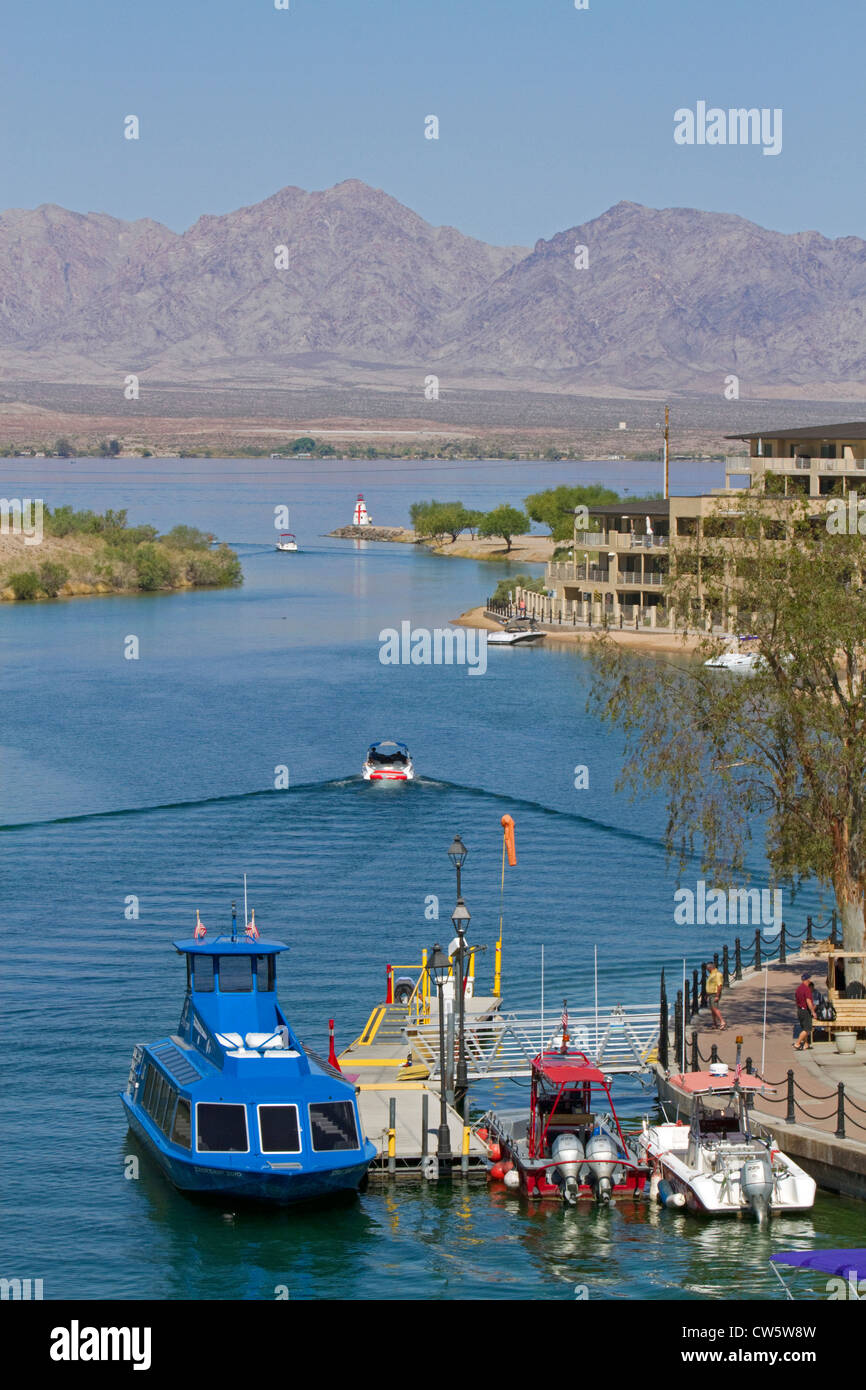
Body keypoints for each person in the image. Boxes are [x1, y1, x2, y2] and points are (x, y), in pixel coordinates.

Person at [794, 974, 817, 1051]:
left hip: (799, 1010)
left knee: (804, 1028)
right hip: (805, 1011)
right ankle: (797, 1043)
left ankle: (806, 1044)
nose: (810, 981)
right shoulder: (807, 989)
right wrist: (813, 1011)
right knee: (807, 1029)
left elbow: (797, 1000)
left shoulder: (798, 989)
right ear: (807, 980)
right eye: (809, 979)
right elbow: (808, 1001)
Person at [705, 961, 726, 1030]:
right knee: (712, 1009)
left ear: (710, 968)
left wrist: (717, 995)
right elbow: (709, 985)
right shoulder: (711, 974)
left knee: (715, 1008)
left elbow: (719, 985)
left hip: (714, 994)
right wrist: (706, 995)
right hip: (710, 994)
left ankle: (722, 1021)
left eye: (707, 969)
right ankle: (714, 1023)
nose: (707, 970)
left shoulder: (717, 974)